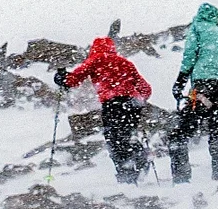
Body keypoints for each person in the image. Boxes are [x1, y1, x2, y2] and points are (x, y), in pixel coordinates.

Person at [54, 35, 152, 183]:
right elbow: (146, 89)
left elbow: (73, 80)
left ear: (94, 49)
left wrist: (61, 78)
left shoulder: (95, 60)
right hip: (132, 105)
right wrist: (139, 101)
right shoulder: (125, 63)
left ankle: (126, 175)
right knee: (126, 135)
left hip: (113, 105)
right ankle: (140, 159)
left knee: (114, 140)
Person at [168, 2, 218, 183]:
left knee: (182, 133)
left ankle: (181, 180)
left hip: (202, 87)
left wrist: (180, 83)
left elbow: (189, 57)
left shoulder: (197, 30)